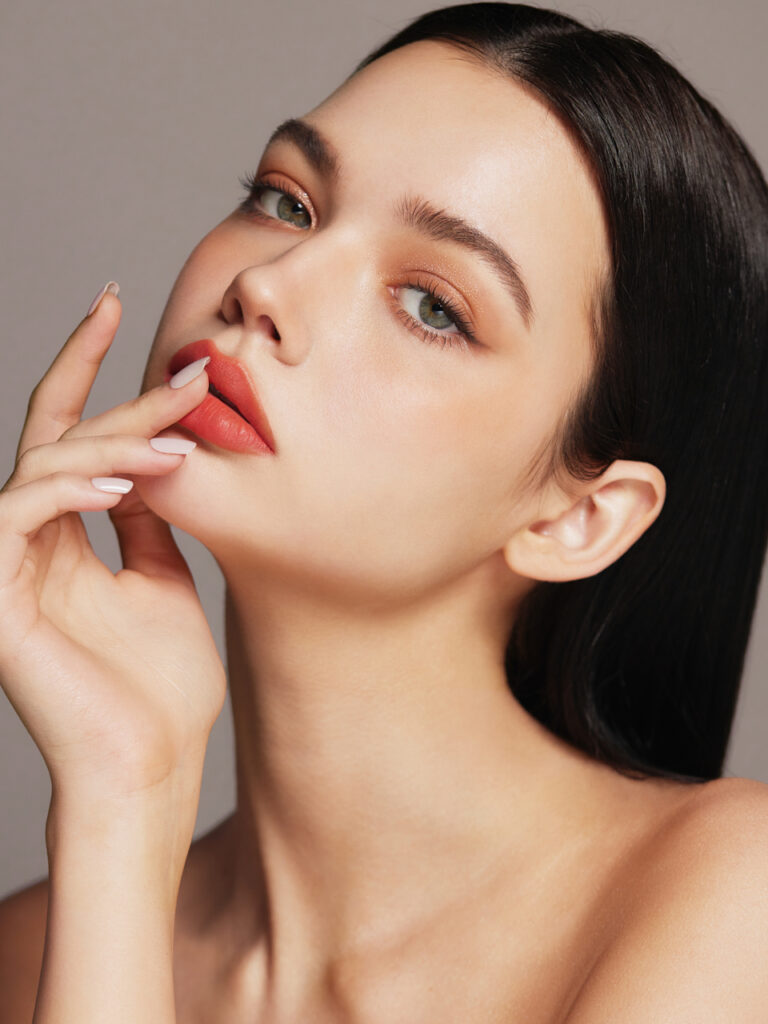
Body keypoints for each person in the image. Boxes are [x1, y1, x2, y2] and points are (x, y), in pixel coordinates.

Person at [1, 2, 768, 1020]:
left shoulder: (731, 902)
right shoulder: (29, 952)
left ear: (577, 518)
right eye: (286, 201)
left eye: (434, 306)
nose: (267, 284)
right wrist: (120, 798)